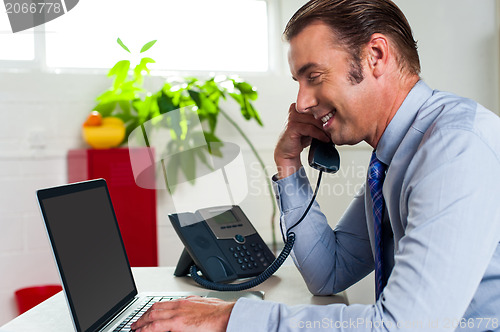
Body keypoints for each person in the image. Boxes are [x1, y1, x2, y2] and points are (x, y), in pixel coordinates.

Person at [131, 0, 500, 331]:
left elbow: (403, 327)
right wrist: (289, 163)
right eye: (298, 82)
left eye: (314, 76)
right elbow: (330, 271)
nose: (302, 103)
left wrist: (230, 318)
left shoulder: (455, 147)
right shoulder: (396, 157)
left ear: (375, 55)